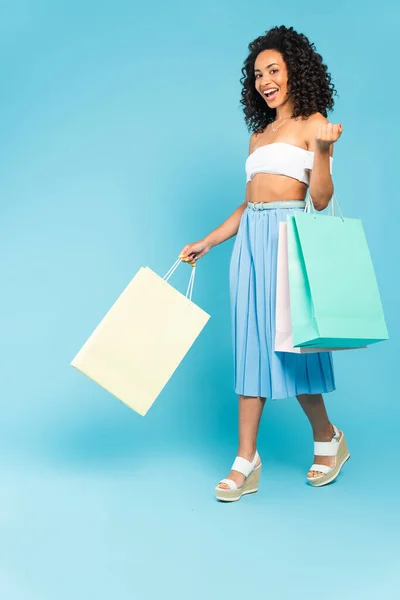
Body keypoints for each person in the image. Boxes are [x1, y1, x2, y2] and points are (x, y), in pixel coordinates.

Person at [178, 25, 350, 502]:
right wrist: (209, 241)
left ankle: (328, 438)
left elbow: (319, 200)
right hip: (251, 242)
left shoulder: (315, 123)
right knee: (251, 346)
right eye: (257, 74)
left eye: (273, 70)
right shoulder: (259, 137)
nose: (265, 80)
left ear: (295, 71)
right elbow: (250, 201)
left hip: (289, 241)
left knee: (293, 350)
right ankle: (246, 459)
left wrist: (322, 151)